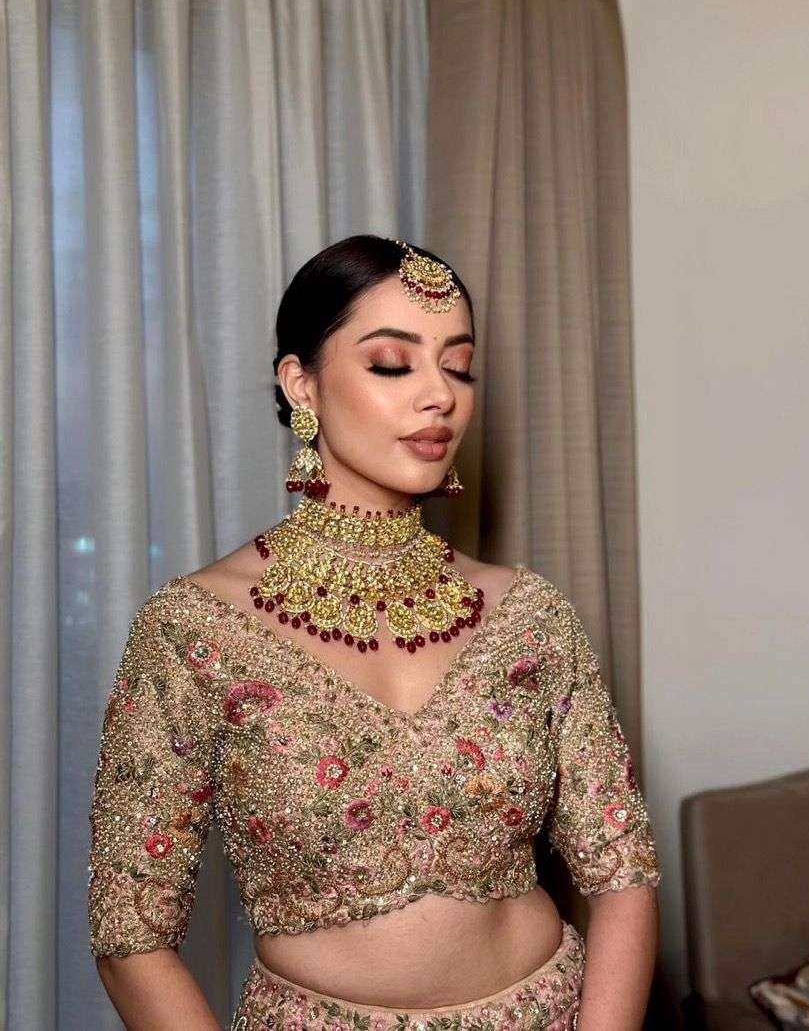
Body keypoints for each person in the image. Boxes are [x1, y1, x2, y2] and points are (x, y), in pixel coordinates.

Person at [87, 235, 662, 1030]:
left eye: (459, 366)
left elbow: (623, 873)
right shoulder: (194, 631)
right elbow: (130, 933)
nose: (440, 395)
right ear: (302, 383)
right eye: (393, 363)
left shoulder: (528, 614)